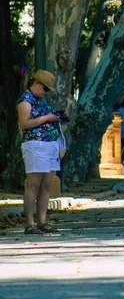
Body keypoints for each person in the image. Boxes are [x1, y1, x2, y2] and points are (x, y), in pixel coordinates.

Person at [17, 70, 68, 234]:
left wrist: (59, 115)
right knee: (33, 184)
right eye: (45, 88)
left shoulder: (42, 100)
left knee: (46, 184)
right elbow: (25, 123)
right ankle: (29, 223)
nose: (45, 92)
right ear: (36, 83)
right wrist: (47, 118)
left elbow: (47, 117)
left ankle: (42, 221)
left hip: (49, 144)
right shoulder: (25, 101)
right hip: (35, 145)